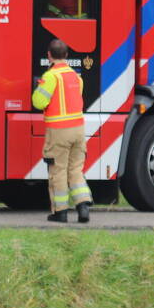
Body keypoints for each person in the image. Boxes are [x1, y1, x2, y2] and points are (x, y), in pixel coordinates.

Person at [31, 39, 92, 223]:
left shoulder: (51, 77)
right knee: (75, 169)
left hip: (59, 131)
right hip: (79, 130)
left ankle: (61, 212)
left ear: (49, 55)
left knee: (58, 171)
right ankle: (83, 207)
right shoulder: (76, 76)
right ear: (66, 56)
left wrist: (38, 87)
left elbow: (38, 102)